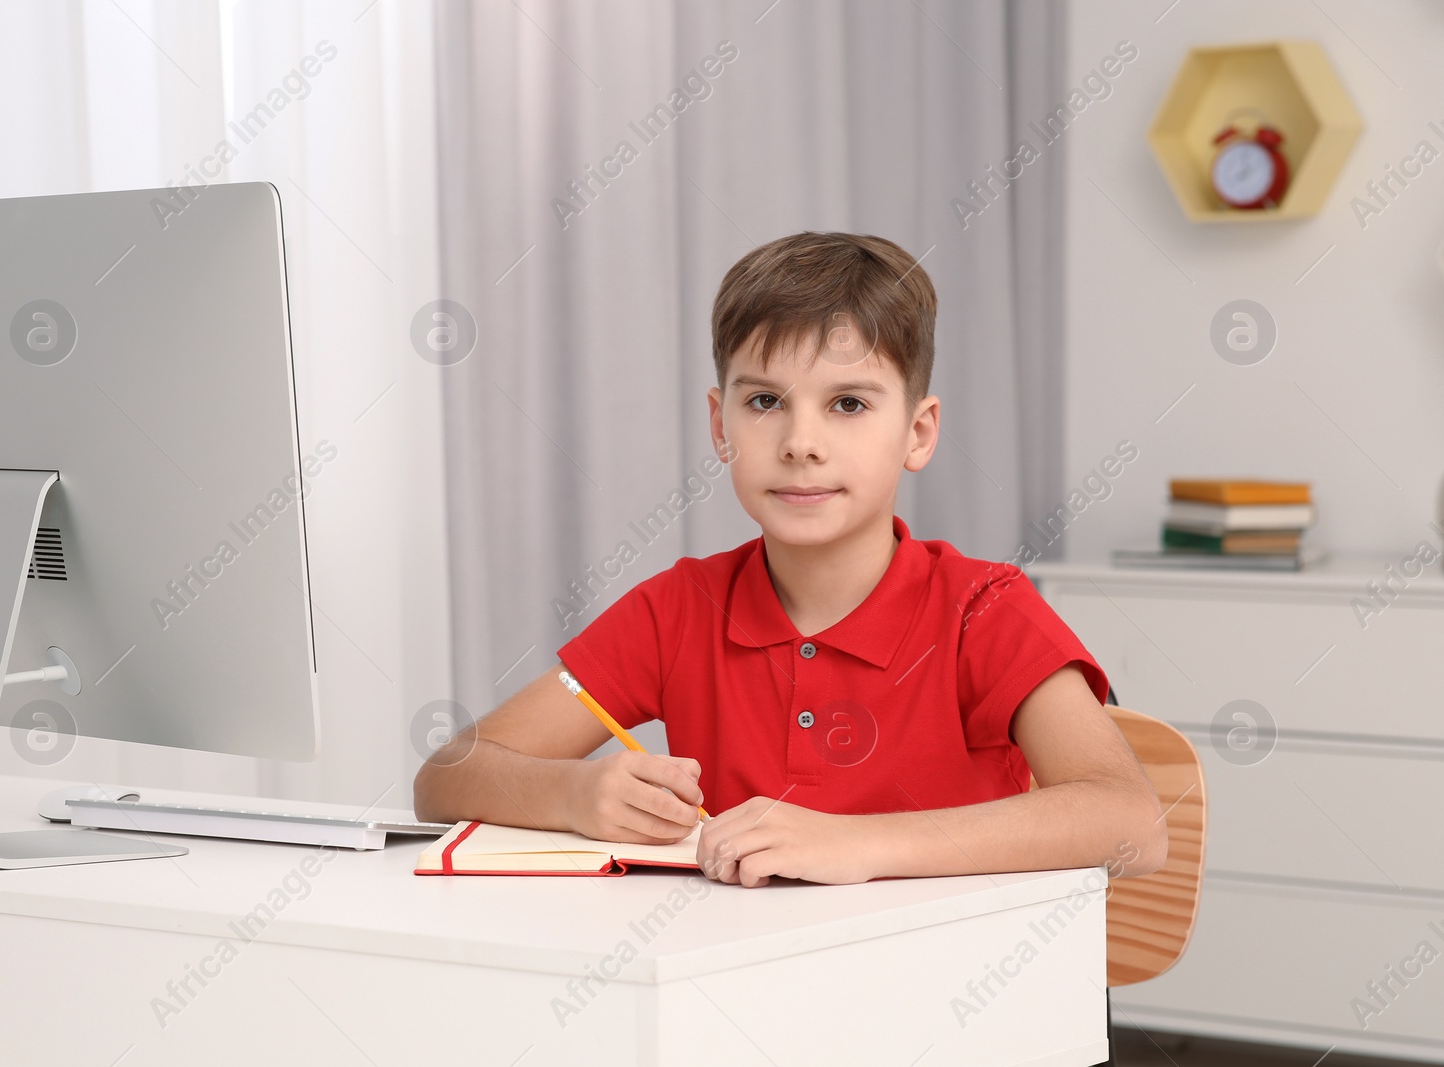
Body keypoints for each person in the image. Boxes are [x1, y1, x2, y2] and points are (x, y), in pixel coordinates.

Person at [414, 231, 1166, 889]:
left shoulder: (981, 609)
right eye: (766, 401)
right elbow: (447, 774)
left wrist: (859, 842)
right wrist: (575, 794)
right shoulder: (679, 607)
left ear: (919, 431)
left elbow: (1130, 818)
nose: (801, 442)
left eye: (848, 404)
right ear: (720, 424)